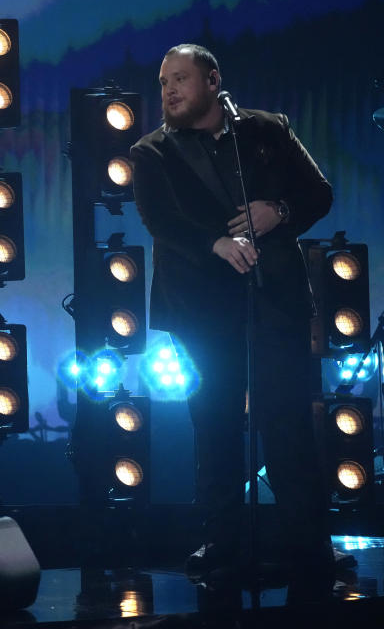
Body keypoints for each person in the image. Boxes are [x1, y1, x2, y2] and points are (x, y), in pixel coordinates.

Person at [130, 44, 348, 574]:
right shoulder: (151, 152)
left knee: (288, 419)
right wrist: (215, 243)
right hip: (202, 305)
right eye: (163, 82)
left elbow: (318, 192)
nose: (169, 91)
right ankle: (221, 542)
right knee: (214, 420)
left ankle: (309, 543)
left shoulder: (266, 129)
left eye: (180, 78)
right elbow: (162, 220)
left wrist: (280, 211)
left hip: (274, 299)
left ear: (212, 80)